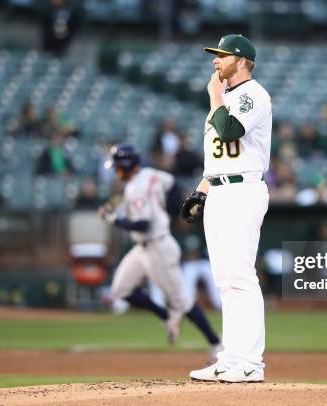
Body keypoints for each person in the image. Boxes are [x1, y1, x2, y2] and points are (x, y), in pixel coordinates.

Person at [181, 34, 271, 383]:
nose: (215, 61)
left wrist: (215, 97)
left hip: (243, 189)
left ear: (242, 60)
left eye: (222, 55)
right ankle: (231, 358)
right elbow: (216, 156)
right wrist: (202, 190)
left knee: (240, 276)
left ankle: (250, 362)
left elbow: (231, 132)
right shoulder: (224, 100)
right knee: (225, 280)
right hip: (219, 190)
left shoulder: (254, 95)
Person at [99, 143, 222, 361]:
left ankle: (216, 344)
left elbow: (143, 225)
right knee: (120, 290)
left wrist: (113, 219)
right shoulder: (150, 174)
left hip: (158, 249)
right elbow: (173, 185)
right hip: (142, 248)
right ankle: (166, 316)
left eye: (117, 166)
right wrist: (174, 212)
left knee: (183, 302)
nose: (115, 171)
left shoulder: (136, 187)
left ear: (127, 166)